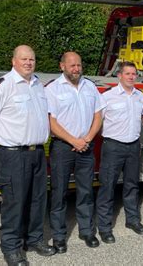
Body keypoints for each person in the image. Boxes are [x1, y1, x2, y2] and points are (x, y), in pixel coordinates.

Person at [0, 45, 55, 266]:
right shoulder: (3, 85)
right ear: (14, 61)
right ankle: (11, 248)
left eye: (32, 59)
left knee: (37, 200)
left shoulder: (38, 84)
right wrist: (6, 138)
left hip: (37, 153)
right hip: (12, 155)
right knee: (14, 202)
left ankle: (35, 240)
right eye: (24, 59)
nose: (29, 63)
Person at [44, 52, 103, 253]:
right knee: (59, 193)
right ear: (62, 66)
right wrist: (73, 141)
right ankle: (59, 237)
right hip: (62, 148)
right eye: (72, 65)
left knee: (86, 191)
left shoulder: (90, 86)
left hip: (86, 146)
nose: (76, 68)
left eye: (79, 65)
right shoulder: (52, 89)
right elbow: (50, 121)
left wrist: (87, 138)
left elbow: (98, 114)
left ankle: (87, 231)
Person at [96, 62, 143, 243]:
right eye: (128, 73)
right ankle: (104, 227)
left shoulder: (140, 97)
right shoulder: (107, 97)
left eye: (134, 74)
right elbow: (96, 121)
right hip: (113, 147)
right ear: (120, 75)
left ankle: (132, 220)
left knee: (132, 185)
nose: (131, 77)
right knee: (107, 186)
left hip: (133, 146)